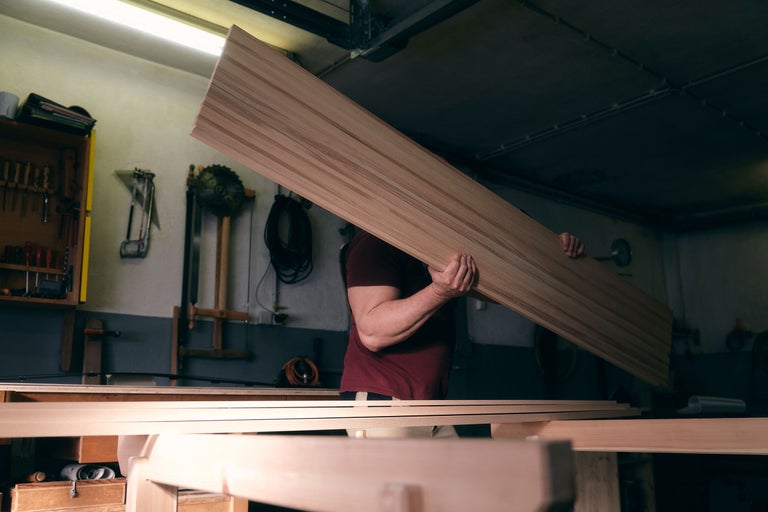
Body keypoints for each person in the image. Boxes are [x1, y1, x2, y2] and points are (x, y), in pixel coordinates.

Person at [339, 230, 585, 438]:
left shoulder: (439, 252)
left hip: (429, 406)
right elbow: (372, 333)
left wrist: (551, 256)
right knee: (398, 495)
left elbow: (506, 290)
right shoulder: (375, 243)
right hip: (382, 402)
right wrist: (439, 292)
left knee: (457, 492)